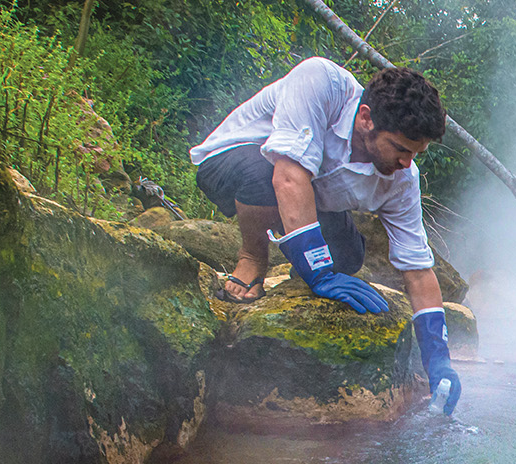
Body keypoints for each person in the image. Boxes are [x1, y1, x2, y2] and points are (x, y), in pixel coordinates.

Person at [189, 57, 460, 415]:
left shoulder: (402, 180)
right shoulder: (321, 82)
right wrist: (318, 270)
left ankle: (299, 271)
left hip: (305, 190)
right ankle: (253, 257)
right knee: (267, 177)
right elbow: (286, 177)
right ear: (366, 119)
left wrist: (439, 360)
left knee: (347, 257)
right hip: (232, 161)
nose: (407, 163)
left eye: (416, 154)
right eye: (401, 149)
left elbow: (417, 268)